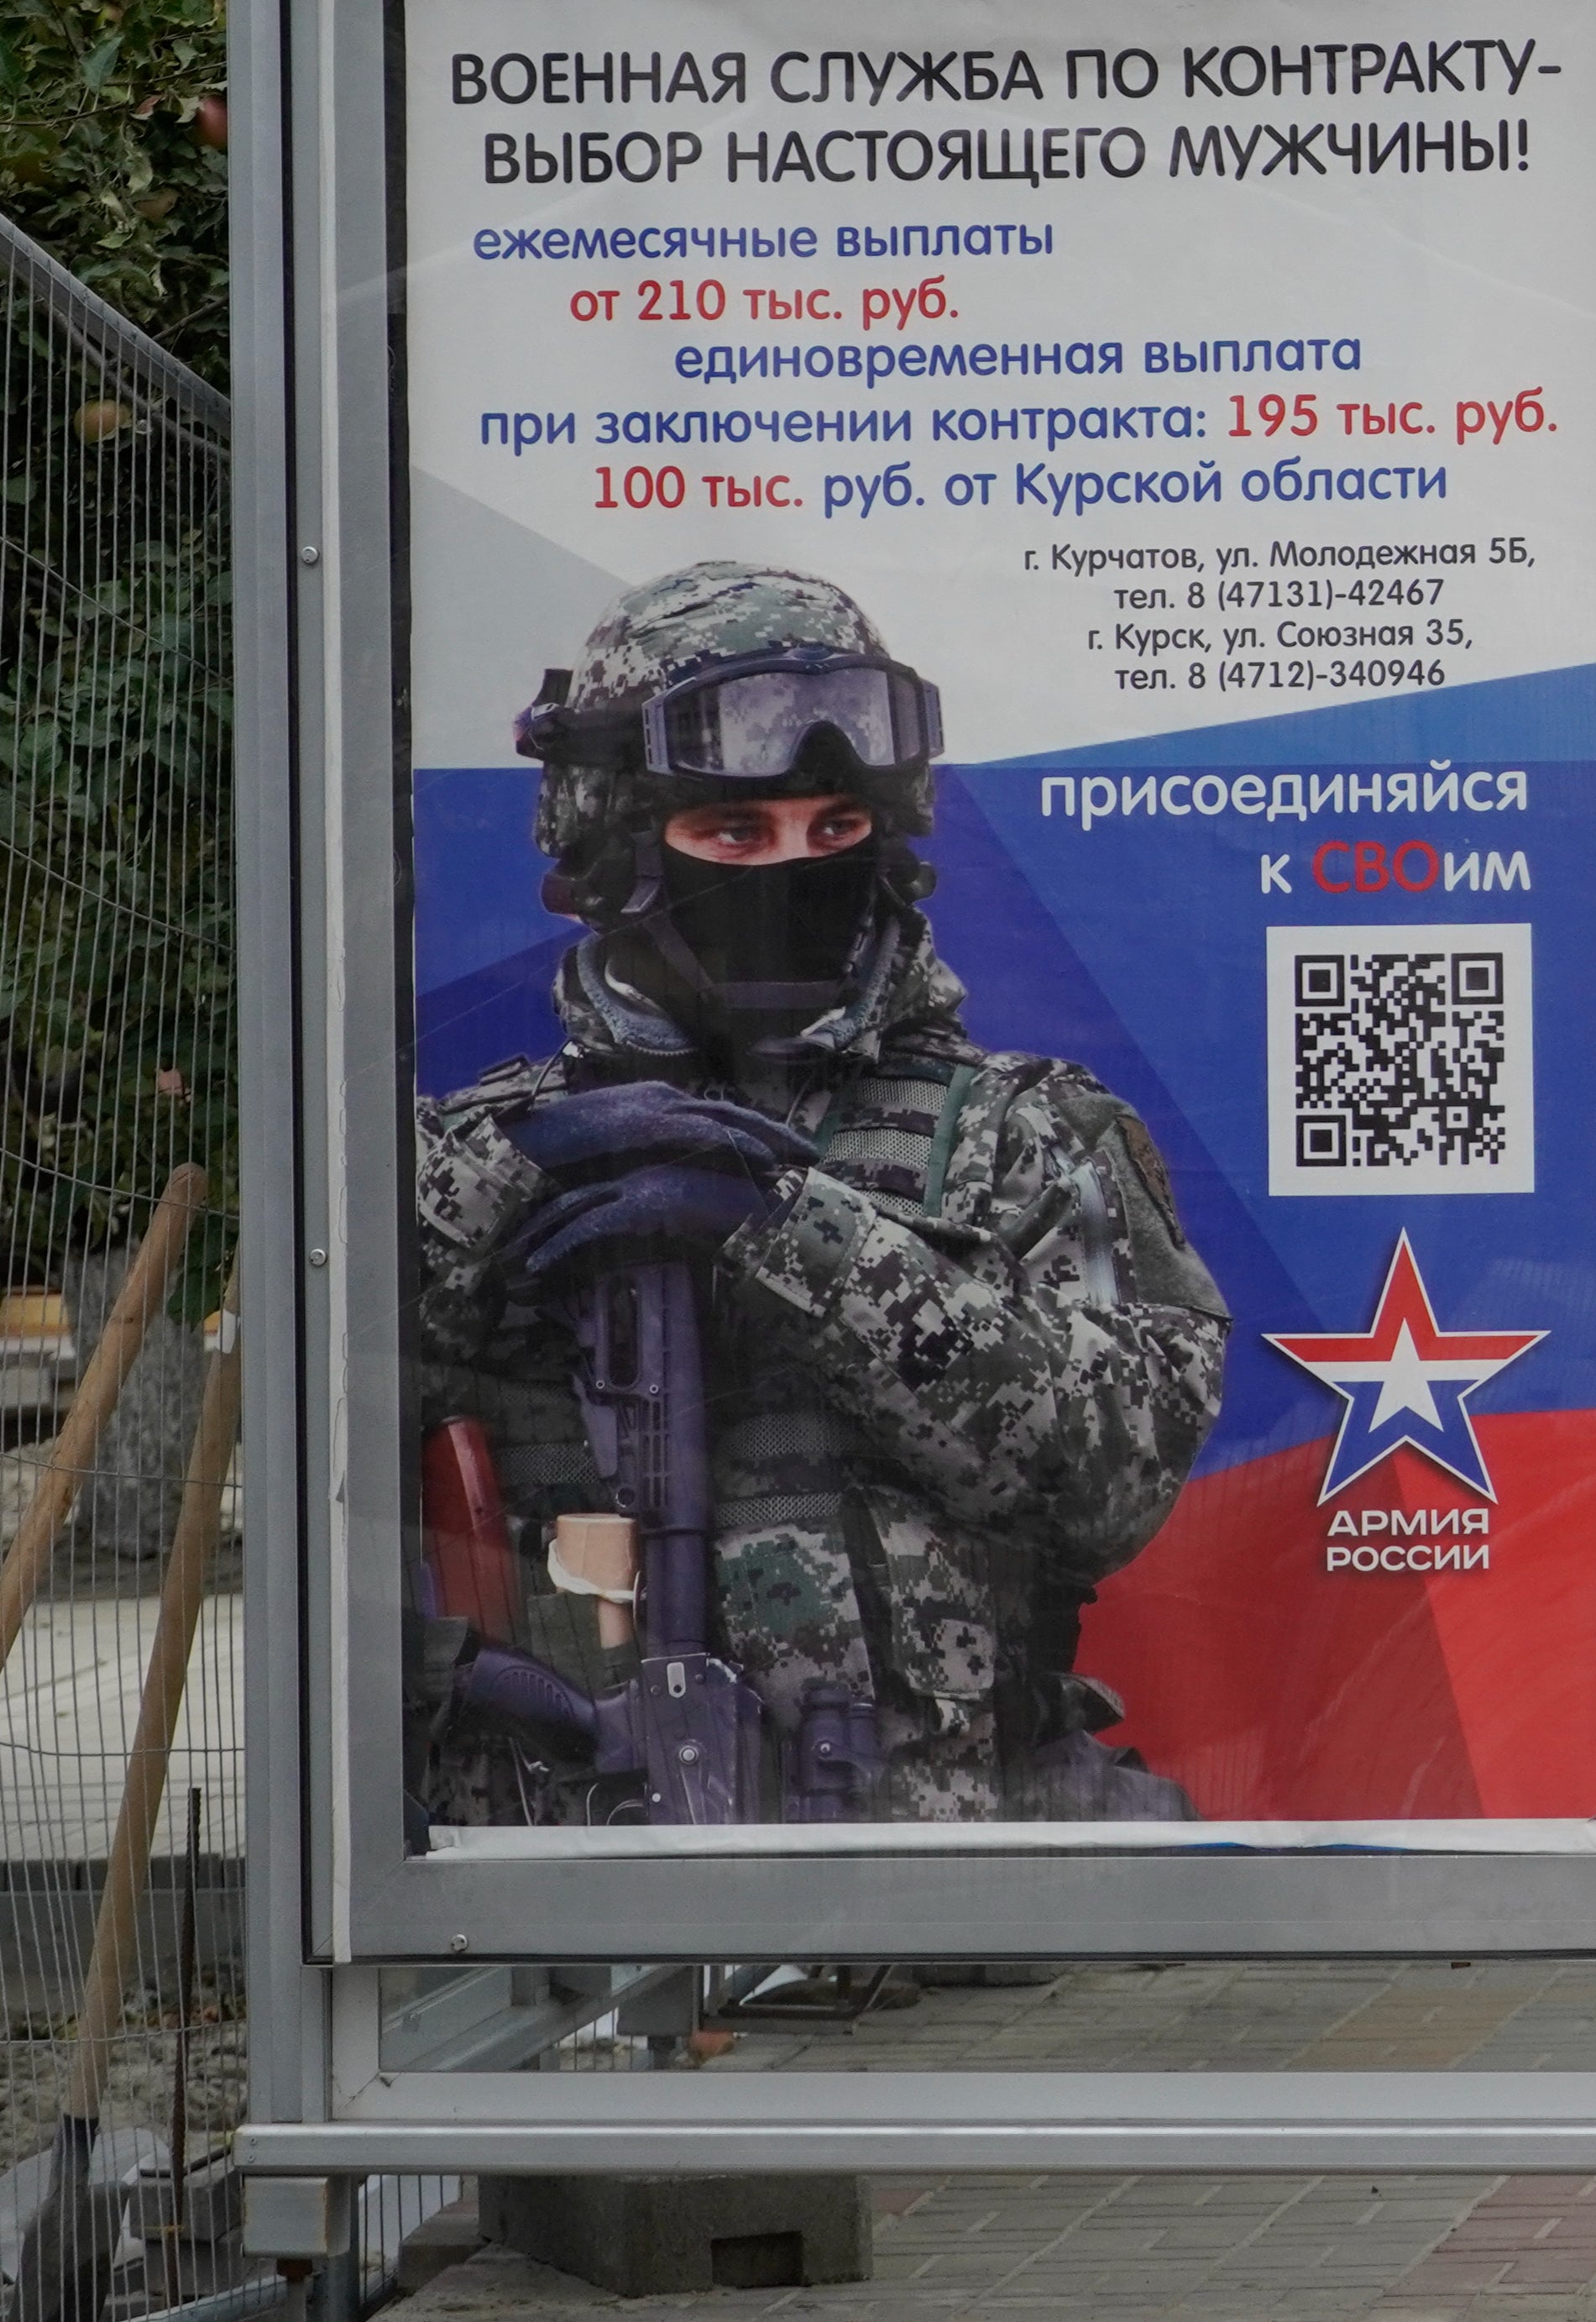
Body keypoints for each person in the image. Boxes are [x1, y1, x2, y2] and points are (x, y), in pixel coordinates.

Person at [411, 561, 1228, 1828]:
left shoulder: (1023, 1134)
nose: (791, 869)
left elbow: (1110, 1485)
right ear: (621, 847)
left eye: (834, 829)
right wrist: (464, 1682)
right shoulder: (483, 1162)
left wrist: (793, 1235)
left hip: (940, 1911)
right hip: (558, 1938)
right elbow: (304, 1506)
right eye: (734, 833)